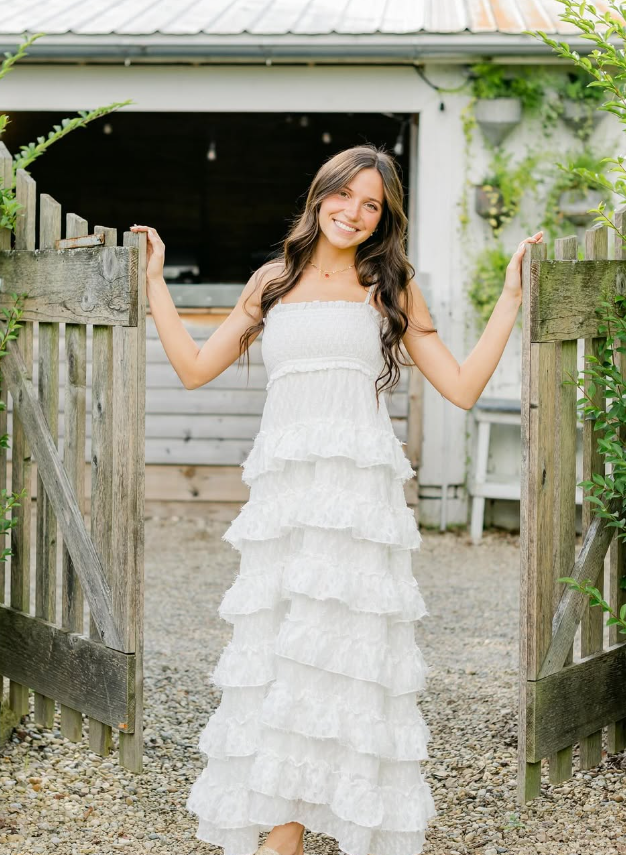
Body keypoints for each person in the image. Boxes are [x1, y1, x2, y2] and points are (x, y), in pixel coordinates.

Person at [130, 143, 542, 855]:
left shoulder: (392, 286)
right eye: (344, 195)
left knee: (348, 659)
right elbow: (195, 366)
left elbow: (465, 386)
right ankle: (283, 831)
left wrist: (510, 298)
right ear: (320, 196)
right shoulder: (274, 280)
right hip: (286, 501)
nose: (354, 212)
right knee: (285, 655)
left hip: (356, 501)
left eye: (372, 203)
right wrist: (155, 285)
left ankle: (341, 822)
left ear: (384, 217)